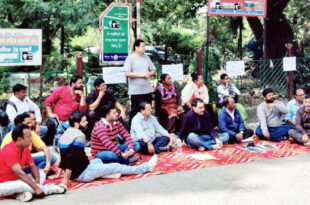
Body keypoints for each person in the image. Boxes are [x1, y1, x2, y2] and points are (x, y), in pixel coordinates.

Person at [53, 111, 157, 186]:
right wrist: (65, 179)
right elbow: (70, 157)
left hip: (80, 170)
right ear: (76, 124)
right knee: (116, 166)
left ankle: (107, 174)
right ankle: (146, 168)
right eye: (84, 122)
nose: (87, 123)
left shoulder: (64, 135)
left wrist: (59, 174)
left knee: (98, 160)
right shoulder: (79, 136)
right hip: (84, 173)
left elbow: (64, 156)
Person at [0, 124, 66, 202]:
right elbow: (20, 173)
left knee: (41, 173)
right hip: (3, 184)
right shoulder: (8, 150)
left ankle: (19, 194)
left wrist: (37, 180)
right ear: (19, 139)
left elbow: (32, 166)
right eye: (29, 136)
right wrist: (36, 188)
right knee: (21, 184)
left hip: (17, 180)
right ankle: (49, 189)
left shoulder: (25, 148)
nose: (31, 139)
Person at [45, 75, 87, 144]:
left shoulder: (79, 94)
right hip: (58, 119)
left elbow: (82, 110)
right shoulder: (61, 90)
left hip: (70, 121)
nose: (81, 85)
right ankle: (49, 144)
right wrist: (50, 113)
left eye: (81, 83)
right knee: (51, 124)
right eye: (79, 83)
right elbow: (48, 102)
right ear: (73, 84)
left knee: (83, 123)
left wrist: (82, 96)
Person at [124, 39, 156, 126]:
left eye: (144, 46)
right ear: (136, 47)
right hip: (136, 91)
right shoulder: (130, 58)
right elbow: (127, 73)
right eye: (142, 46)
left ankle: (148, 129)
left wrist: (149, 74)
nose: (144, 48)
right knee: (136, 111)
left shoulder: (146, 57)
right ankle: (132, 131)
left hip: (147, 90)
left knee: (148, 110)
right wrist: (141, 75)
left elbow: (153, 70)